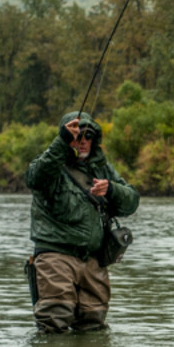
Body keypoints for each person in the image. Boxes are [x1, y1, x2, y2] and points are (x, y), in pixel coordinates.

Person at [25, 111, 139, 333]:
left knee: (93, 324)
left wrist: (112, 190)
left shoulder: (101, 168)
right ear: (68, 138)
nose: (83, 140)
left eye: (88, 135)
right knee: (54, 321)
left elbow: (132, 201)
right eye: (78, 135)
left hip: (93, 261)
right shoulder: (50, 165)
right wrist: (61, 142)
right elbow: (34, 178)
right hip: (55, 258)